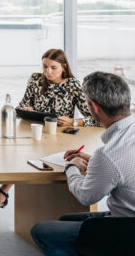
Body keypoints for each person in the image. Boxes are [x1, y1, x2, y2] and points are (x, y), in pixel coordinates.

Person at [31, 71, 135, 256]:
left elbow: (87, 197)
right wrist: (95, 160)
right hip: (127, 218)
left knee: (41, 230)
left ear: (93, 107)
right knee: (65, 219)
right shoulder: (116, 147)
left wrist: (71, 168)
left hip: (125, 229)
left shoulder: (108, 155)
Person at [0, 49, 101, 210]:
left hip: (60, 137)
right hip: (34, 133)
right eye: (44, 67)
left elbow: (96, 119)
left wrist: (74, 122)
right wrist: (27, 109)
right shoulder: (35, 79)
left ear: (64, 67)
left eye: (53, 67)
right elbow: (20, 107)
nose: (47, 72)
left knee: (36, 158)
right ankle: (4, 193)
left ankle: (3, 192)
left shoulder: (72, 84)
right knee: (20, 157)